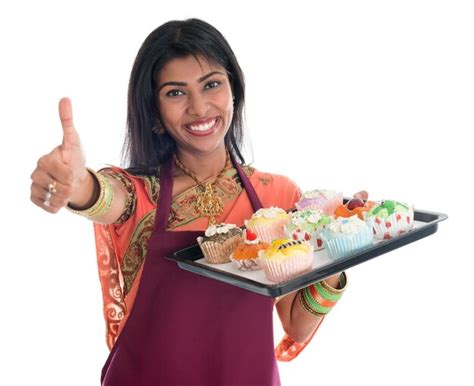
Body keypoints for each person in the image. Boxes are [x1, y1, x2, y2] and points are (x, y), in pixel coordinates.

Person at [30, 18, 349, 386]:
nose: (199, 108)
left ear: (234, 91)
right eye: (175, 92)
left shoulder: (277, 198)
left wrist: (335, 259)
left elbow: (295, 322)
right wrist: (74, 183)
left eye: (211, 84)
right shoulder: (138, 192)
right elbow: (102, 195)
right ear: (153, 109)